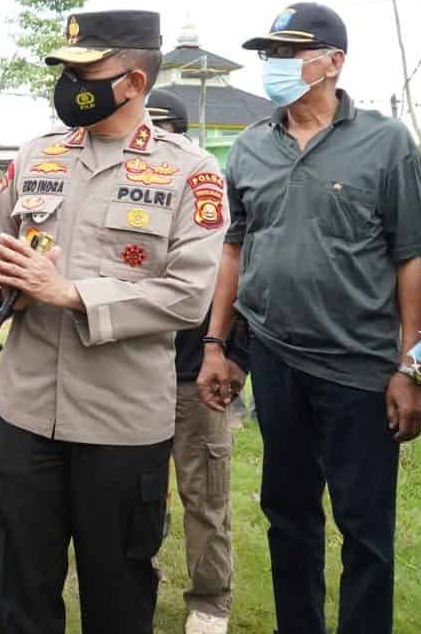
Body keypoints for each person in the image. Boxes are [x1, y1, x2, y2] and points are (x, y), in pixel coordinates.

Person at [200, 3, 421, 634]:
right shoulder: (251, 147)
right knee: (288, 518)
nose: (274, 66)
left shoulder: (384, 142)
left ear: (333, 62)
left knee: (365, 531)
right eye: (269, 54)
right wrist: (215, 344)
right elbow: (235, 249)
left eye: (289, 52)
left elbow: (411, 257)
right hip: (277, 360)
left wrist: (409, 368)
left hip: (361, 370)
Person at [0, 10, 226, 634]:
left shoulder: (190, 172)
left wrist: (71, 294)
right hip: (24, 414)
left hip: (121, 426)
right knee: (21, 591)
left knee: (118, 594)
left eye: (86, 72)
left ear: (134, 81)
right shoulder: (37, 156)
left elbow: (189, 296)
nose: (69, 83)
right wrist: (5, 287)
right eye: (65, 71)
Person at [147, 88, 244, 634]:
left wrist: (234, 359)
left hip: (195, 377)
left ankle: (210, 600)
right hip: (134, 374)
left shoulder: (210, 197)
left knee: (205, 493)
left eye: (166, 131)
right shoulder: (130, 192)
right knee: (134, 493)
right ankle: (139, 578)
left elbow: (239, 284)